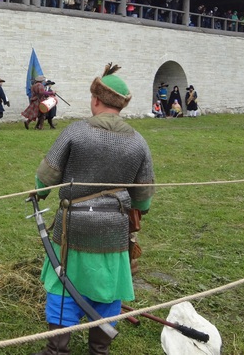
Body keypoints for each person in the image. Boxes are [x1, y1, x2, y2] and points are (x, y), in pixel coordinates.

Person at [32, 63, 155, 355]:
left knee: (64, 283)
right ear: (121, 106)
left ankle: (57, 350)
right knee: (108, 286)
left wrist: (40, 193)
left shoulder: (75, 132)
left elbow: (43, 179)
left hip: (72, 225)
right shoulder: (138, 142)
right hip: (114, 229)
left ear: (96, 99)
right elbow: (144, 201)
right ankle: (99, 351)